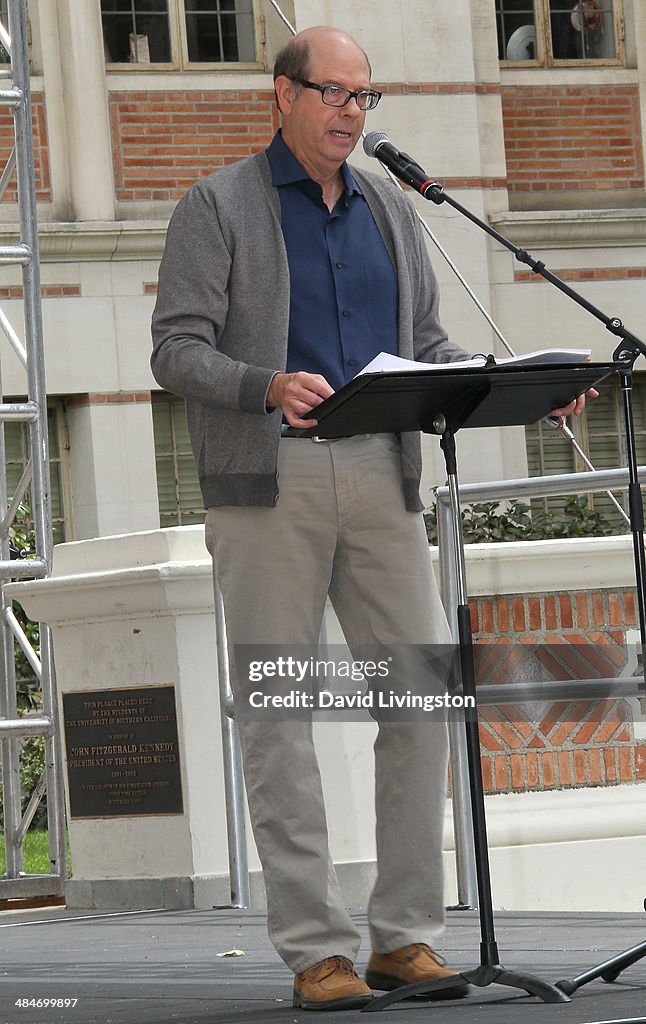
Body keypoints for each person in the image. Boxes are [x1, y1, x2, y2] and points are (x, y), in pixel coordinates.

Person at [151, 25, 590, 1011]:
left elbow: (424, 344)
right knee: (280, 715)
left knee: (423, 703)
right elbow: (174, 351)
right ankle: (317, 952)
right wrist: (266, 383)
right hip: (274, 485)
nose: (352, 111)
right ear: (283, 95)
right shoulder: (218, 206)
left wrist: (524, 387)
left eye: (365, 96)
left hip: (386, 478)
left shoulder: (391, 209)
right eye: (334, 93)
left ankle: (404, 937)